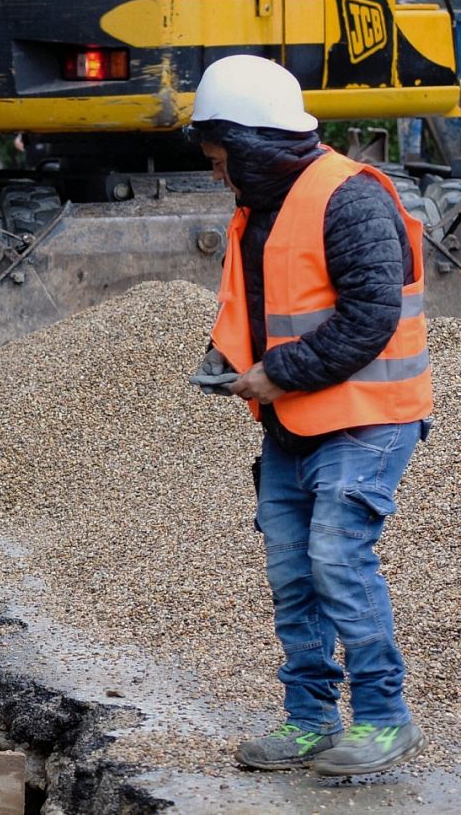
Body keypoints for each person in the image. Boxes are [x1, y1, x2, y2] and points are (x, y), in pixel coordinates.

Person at [189, 54, 431, 776]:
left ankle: (386, 720)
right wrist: (224, 360)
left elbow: (371, 316)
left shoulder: (348, 198)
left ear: (253, 145)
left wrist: (274, 374)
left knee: (337, 555)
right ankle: (311, 720)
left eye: (221, 157)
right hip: (294, 422)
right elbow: (261, 307)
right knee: (294, 571)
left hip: (368, 417)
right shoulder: (259, 209)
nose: (217, 172)